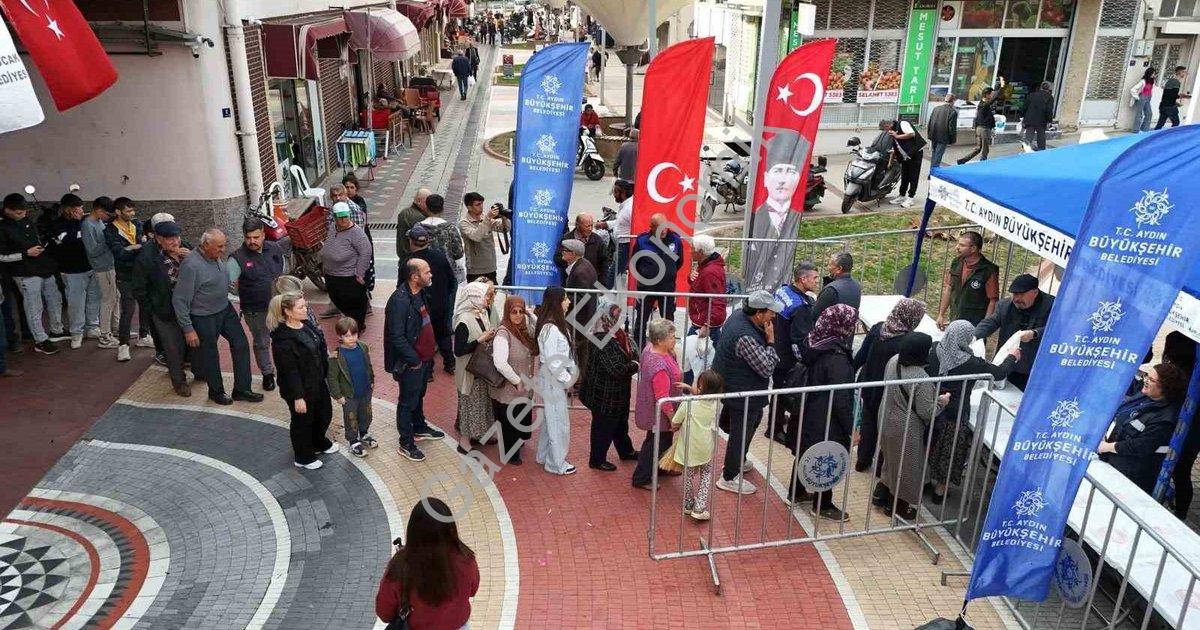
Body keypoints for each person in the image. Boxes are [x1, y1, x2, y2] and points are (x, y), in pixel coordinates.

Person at [926, 320, 1019, 501]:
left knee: (930, 447)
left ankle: (925, 481)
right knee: (949, 454)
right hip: (955, 414)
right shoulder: (971, 362)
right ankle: (940, 492)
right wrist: (1012, 357)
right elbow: (999, 373)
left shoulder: (935, 349)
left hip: (930, 408)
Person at [173, 229, 263, 405]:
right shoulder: (191, 265)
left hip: (224, 309)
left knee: (241, 344)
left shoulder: (213, 255)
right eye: (219, 247)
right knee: (211, 354)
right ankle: (216, 392)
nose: (223, 250)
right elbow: (179, 299)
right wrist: (188, 328)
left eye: (224, 245)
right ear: (206, 245)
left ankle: (242, 389)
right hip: (203, 316)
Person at [791, 304, 858, 521]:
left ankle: (797, 490)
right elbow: (841, 398)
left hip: (810, 410)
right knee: (826, 455)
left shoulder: (816, 341)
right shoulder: (836, 357)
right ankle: (823, 504)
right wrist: (851, 428)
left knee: (807, 450)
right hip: (827, 417)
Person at [713, 291, 782, 495]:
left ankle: (739, 459)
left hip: (737, 387)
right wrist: (770, 341)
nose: (774, 317)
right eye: (771, 313)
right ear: (759, 314)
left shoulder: (737, 316)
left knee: (753, 419)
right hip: (742, 391)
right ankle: (729, 476)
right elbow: (767, 367)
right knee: (740, 432)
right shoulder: (746, 337)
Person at [374, 497, 480, 629]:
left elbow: (384, 613)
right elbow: (472, 590)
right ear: (450, 527)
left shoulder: (400, 566)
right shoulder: (466, 559)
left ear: (413, 530)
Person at [876, 333, 948, 520]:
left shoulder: (893, 361)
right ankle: (899, 507)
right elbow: (926, 412)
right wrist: (941, 401)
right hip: (905, 428)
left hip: (885, 417)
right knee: (907, 468)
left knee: (890, 459)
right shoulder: (920, 377)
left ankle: (880, 494)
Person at [852, 297, 926, 471]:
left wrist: (851, 373)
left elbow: (862, 355)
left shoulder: (879, 328)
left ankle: (862, 460)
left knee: (868, 422)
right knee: (885, 427)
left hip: (868, 383)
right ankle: (880, 467)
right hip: (888, 390)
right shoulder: (907, 342)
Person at [385, 258, 447, 462]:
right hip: (413, 362)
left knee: (418, 395)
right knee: (407, 402)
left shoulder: (420, 293)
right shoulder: (399, 301)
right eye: (427, 272)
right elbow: (397, 336)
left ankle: (419, 427)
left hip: (424, 359)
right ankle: (406, 442)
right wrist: (414, 360)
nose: (431, 275)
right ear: (414, 277)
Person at [268, 292, 335, 469]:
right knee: (302, 422)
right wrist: (298, 397)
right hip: (300, 389)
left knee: (324, 414)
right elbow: (289, 371)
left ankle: (318, 442)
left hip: (317, 382)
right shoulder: (282, 340)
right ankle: (303, 457)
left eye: (305, 305)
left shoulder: (306, 326)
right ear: (288, 312)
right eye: (301, 307)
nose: (306, 309)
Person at [1099, 362, 1188, 494]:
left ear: (1165, 387)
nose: (1145, 380)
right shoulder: (1145, 396)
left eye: (1151, 379)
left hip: (1128, 477)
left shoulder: (1165, 419)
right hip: (1111, 462)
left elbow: (1141, 446)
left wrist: (1107, 447)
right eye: (1146, 376)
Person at [131, 220, 192, 397]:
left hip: (188, 308)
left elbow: (202, 264)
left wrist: (192, 258)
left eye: (177, 237)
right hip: (164, 310)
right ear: (158, 238)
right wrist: (154, 308)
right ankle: (179, 382)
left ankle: (199, 372)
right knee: (173, 347)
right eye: (170, 239)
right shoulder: (147, 257)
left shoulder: (186, 247)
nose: (176, 242)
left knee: (194, 342)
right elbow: (139, 289)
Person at [0, 193, 65, 355]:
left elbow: (36, 240)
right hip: (23, 272)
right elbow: (1, 256)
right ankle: (40, 340)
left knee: (54, 298)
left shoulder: (27, 221)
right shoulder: (2, 228)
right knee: (33, 306)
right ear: (7, 210)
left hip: (43, 267)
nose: (22, 215)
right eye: (18, 213)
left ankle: (57, 330)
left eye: (24, 212)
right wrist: (25, 253)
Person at [744, 129, 810, 291]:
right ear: (766, 178)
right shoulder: (755, 218)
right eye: (778, 170)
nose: (782, 180)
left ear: (799, 179)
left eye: (791, 171)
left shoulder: (795, 217)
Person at [580, 301, 639, 471]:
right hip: (604, 395)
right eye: (616, 315)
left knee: (620, 424)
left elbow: (633, 351)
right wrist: (635, 364)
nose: (619, 319)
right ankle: (597, 460)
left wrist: (633, 360)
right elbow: (617, 369)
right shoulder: (602, 338)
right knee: (603, 427)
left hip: (617, 393)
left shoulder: (617, 334)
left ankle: (625, 451)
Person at [631, 317, 687, 489]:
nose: (674, 340)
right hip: (659, 412)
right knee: (655, 442)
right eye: (671, 337)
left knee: (663, 439)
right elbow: (662, 398)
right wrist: (672, 418)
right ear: (660, 340)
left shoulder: (652, 349)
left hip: (657, 410)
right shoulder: (658, 365)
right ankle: (641, 478)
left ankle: (662, 466)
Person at [973, 273, 1054, 391]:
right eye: (1015, 294)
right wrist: (974, 336)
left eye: (1021, 295)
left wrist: (1035, 333)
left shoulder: (1052, 306)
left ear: (1035, 292)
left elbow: (1058, 329)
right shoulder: (1005, 305)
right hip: (1008, 364)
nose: (1017, 299)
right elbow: (990, 322)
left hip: (1035, 368)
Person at [231, 218, 285, 392]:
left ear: (263, 234)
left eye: (256, 237)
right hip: (255, 310)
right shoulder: (237, 258)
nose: (252, 241)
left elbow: (282, 270)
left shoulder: (275, 248)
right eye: (248, 238)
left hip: (279, 306)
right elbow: (229, 284)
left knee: (283, 340)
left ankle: (285, 369)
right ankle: (268, 374)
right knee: (262, 342)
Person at [770, 261, 820, 447]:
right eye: (814, 277)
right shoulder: (800, 307)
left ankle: (776, 420)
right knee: (783, 392)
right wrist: (804, 360)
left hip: (775, 347)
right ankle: (774, 429)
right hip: (785, 357)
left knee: (778, 389)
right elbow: (798, 339)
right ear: (802, 279)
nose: (816, 281)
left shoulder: (784, 291)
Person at [535, 286, 578, 475]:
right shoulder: (551, 329)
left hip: (552, 378)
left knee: (549, 420)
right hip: (554, 380)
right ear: (557, 302)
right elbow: (553, 360)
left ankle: (544, 455)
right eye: (565, 298)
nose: (568, 301)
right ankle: (556, 463)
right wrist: (567, 380)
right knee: (558, 422)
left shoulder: (552, 325)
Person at [491, 294, 538, 464]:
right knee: (510, 422)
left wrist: (530, 314)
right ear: (506, 313)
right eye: (514, 312)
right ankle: (510, 454)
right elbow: (500, 362)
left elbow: (538, 328)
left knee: (520, 418)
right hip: (509, 389)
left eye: (521, 311)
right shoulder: (503, 333)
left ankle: (516, 444)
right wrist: (516, 380)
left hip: (523, 388)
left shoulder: (524, 330)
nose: (518, 315)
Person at [105, 198, 153, 361]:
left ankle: (143, 336)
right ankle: (123, 345)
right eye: (128, 211)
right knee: (128, 309)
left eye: (133, 211)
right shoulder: (110, 230)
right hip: (125, 275)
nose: (132, 214)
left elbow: (144, 246)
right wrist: (136, 247)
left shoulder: (137, 225)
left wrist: (133, 247)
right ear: (118, 212)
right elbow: (119, 253)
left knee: (145, 304)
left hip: (141, 272)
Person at [405, 225, 456, 374]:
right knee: (443, 334)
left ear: (411, 241)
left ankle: (428, 371)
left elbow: (402, 288)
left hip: (420, 307)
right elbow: (452, 280)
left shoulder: (409, 262)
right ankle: (450, 363)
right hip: (441, 304)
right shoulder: (440, 256)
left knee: (424, 338)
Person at [672, 369, 723, 522]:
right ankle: (699, 507)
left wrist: (689, 390)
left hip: (687, 446)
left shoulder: (688, 403)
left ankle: (688, 504)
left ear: (700, 386)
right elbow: (705, 395)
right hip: (705, 446)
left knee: (688, 475)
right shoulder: (716, 403)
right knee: (706, 474)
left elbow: (675, 422)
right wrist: (690, 388)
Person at [47, 194, 94, 349]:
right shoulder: (58, 224)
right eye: (78, 208)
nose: (81, 211)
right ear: (69, 209)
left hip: (90, 266)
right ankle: (76, 333)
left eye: (81, 207)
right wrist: (75, 224)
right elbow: (68, 241)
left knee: (93, 299)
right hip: (72, 269)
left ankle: (92, 327)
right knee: (76, 303)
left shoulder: (85, 221)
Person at [327, 317, 378, 458]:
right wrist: (338, 396)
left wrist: (371, 380)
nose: (351, 339)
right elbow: (332, 378)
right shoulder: (336, 357)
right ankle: (353, 441)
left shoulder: (362, 347)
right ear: (340, 336)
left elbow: (368, 365)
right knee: (351, 418)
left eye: (354, 335)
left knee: (366, 414)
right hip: (349, 395)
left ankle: (364, 433)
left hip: (365, 390)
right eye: (347, 336)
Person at [453, 281, 497, 445]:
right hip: (468, 371)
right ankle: (465, 442)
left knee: (481, 403)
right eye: (485, 295)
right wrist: (481, 339)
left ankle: (479, 434)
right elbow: (459, 350)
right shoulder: (463, 321)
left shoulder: (481, 313)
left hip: (480, 369)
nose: (488, 299)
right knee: (468, 405)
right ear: (475, 298)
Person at [630, 213, 683, 345]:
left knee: (668, 322)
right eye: (660, 228)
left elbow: (679, 262)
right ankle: (639, 351)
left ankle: (668, 351)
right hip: (646, 288)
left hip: (667, 288)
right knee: (641, 320)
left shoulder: (675, 240)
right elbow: (635, 262)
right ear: (651, 228)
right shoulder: (642, 240)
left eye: (665, 227)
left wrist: (668, 273)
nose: (664, 230)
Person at [322, 203, 372, 334]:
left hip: (348, 276)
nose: (344, 220)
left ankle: (357, 328)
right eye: (340, 217)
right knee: (336, 298)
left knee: (354, 305)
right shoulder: (334, 227)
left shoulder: (356, 233)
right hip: (332, 274)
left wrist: (360, 273)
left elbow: (366, 252)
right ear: (334, 218)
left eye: (346, 216)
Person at [936, 231, 998, 328]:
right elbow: (948, 289)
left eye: (962, 245)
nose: (957, 247)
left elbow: (993, 300)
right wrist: (941, 314)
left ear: (973, 248)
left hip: (974, 323)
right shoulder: (956, 262)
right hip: (955, 318)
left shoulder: (989, 270)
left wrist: (984, 325)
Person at [82, 196, 119, 349]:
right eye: (107, 215)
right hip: (101, 267)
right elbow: (92, 250)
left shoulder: (99, 222)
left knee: (115, 297)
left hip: (109, 264)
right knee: (107, 300)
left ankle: (115, 329)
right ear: (98, 210)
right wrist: (109, 239)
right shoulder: (88, 225)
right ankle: (104, 336)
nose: (107, 218)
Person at [688, 234, 727, 341]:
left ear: (700, 252)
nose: (690, 251)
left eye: (692, 248)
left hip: (704, 324)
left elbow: (717, 300)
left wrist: (707, 325)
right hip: (704, 321)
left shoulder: (710, 272)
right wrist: (691, 278)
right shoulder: (705, 265)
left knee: (691, 354)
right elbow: (699, 285)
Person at [419, 194, 466, 284]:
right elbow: (458, 253)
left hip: (423, 273)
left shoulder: (418, 228)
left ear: (426, 208)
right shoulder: (450, 228)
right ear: (442, 208)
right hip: (446, 273)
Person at [597, 179, 634, 286]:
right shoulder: (625, 205)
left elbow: (635, 226)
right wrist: (605, 224)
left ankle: (604, 294)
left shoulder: (629, 209)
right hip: (621, 244)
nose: (613, 195)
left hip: (626, 244)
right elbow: (620, 222)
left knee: (614, 272)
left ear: (622, 193)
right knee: (614, 271)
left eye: (615, 192)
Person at [460, 192, 503, 283]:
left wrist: (505, 217)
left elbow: (505, 228)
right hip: (475, 270)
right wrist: (487, 218)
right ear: (469, 207)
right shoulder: (464, 223)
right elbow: (476, 237)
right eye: (478, 204)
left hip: (490, 267)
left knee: (492, 295)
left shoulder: (485, 218)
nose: (481, 206)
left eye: (482, 203)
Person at [554, 212, 608, 283]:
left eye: (592, 225)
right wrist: (571, 263)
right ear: (578, 225)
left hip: (592, 285)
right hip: (570, 282)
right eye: (587, 226)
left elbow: (604, 262)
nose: (590, 229)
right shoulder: (566, 239)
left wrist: (602, 283)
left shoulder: (597, 240)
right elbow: (557, 258)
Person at [560, 239, 598, 329]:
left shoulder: (581, 271)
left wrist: (562, 298)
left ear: (573, 254)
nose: (562, 252)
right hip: (580, 317)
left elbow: (581, 297)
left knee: (578, 342)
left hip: (580, 319)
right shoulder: (582, 264)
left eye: (565, 250)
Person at [888, 118, 926, 208]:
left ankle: (910, 198)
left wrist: (897, 136)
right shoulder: (892, 131)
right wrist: (890, 162)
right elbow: (895, 147)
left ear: (889, 124)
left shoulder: (903, 123)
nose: (886, 131)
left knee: (913, 176)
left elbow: (911, 134)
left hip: (915, 153)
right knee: (904, 175)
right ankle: (902, 195)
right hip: (905, 155)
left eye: (886, 128)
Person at [958, 88, 999, 164]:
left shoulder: (982, 104)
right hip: (984, 129)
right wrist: (1001, 88)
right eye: (992, 94)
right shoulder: (984, 104)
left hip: (980, 129)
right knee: (985, 149)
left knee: (978, 148)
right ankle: (982, 164)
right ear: (987, 95)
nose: (992, 96)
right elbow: (991, 101)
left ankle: (963, 160)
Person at [814, 252, 861, 317]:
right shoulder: (857, 286)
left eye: (830, 265)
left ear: (839, 269)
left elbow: (815, 314)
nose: (828, 268)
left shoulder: (831, 290)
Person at [396, 188, 432, 258]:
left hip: (404, 256)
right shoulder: (419, 218)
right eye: (427, 202)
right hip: (413, 258)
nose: (429, 205)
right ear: (419, 201)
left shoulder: (404, 212)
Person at [926, 92, 958, 168]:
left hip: (933, 134)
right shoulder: (953, 112)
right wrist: (952, 140)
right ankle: (933, 173)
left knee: (934, 153)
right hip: (943, 137)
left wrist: (929, 134)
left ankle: (932, 171)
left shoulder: (936, 108)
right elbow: (951, 128)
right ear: (953, 101)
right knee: (938, 155)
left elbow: (930, 122)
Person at [1022, 81, 1055, 150]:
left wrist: (1023, 117)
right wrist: (1049, 121)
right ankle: (1041, 150)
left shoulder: (1031, 95)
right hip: (1041, 120)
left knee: (1029, 135)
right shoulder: (1049, 97)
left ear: (1041, 87)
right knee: (1041, 135)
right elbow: (1049, 110)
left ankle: (1026, 149)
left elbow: (1025, 107)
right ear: (1049, 89)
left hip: (1030, 118)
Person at [1129, 68, 1158, 133]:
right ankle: (1136, 130)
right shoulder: (1143, 81)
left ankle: (1144, 129)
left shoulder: (1152, 81)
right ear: (1149, 73)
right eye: (1153, 73)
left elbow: (1151, 90)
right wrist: (1137, 98)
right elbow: (1133, 89)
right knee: (1139, 114)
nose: (1154, 75)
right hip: (1142, 97)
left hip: (1148, 98)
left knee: (1149, 114)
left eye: (1154, 73)